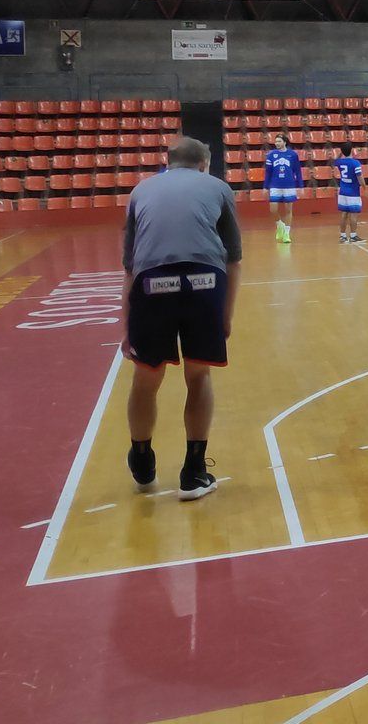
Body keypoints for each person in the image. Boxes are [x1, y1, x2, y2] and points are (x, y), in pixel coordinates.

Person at [121, 137, 242, 501]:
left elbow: (129, 268)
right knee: (198, 373)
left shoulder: (140, 191)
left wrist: (127, 326)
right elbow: (233, 259)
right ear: (205, 164)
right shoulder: (219, 188)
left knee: (146, 376)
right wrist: (226, 315)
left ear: (167, 162)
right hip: (205, 283)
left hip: (151, 284)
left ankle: (141, 459)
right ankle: (194, 471)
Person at [263, 134, 302, 244]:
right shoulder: (271, 155)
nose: (277, 143)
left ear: (285, 142)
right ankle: (280, 225)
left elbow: (297, 171)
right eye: (276, 141)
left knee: (288, 210)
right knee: (273, 209)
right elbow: (268, 172)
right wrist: (266, 187)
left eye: (279, 141)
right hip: (275, 185)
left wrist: (300, 185)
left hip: (289, 185)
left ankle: (286, 233)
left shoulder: (293, 155)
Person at [333, 144, 364, 243]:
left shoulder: (340, 162)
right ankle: (353, 236)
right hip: (353, 192)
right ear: (351, 150)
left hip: (342, 192)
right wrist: (365, 187)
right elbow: (360, 177)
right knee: (353, 215)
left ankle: (342, 236)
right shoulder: (355, 163)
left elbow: (334, 161)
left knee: (344, 214)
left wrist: (340, 153)